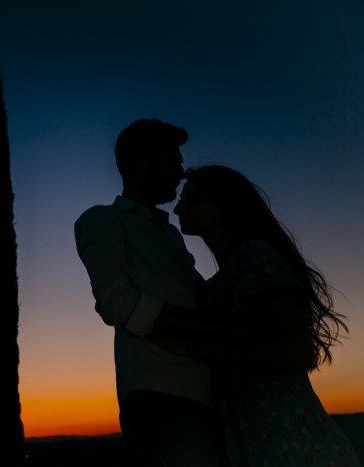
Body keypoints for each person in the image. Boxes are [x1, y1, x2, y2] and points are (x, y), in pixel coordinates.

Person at [145, 165, 361, 466]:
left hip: (295, 442)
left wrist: (191, 350)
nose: (178, 207)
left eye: (192, 199)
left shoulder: (255, 255)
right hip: (250, 441)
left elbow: (299, 353)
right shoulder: (214, 283)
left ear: (225, 203)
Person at [75, 119, 257, 466]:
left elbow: (194, 296)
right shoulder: (103, 220)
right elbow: (118, 303)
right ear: (140, 164)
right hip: (158, 395)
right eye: (172, 161)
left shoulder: (171, 233)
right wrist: (220, 330)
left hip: (209, 396)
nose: (181, 171)